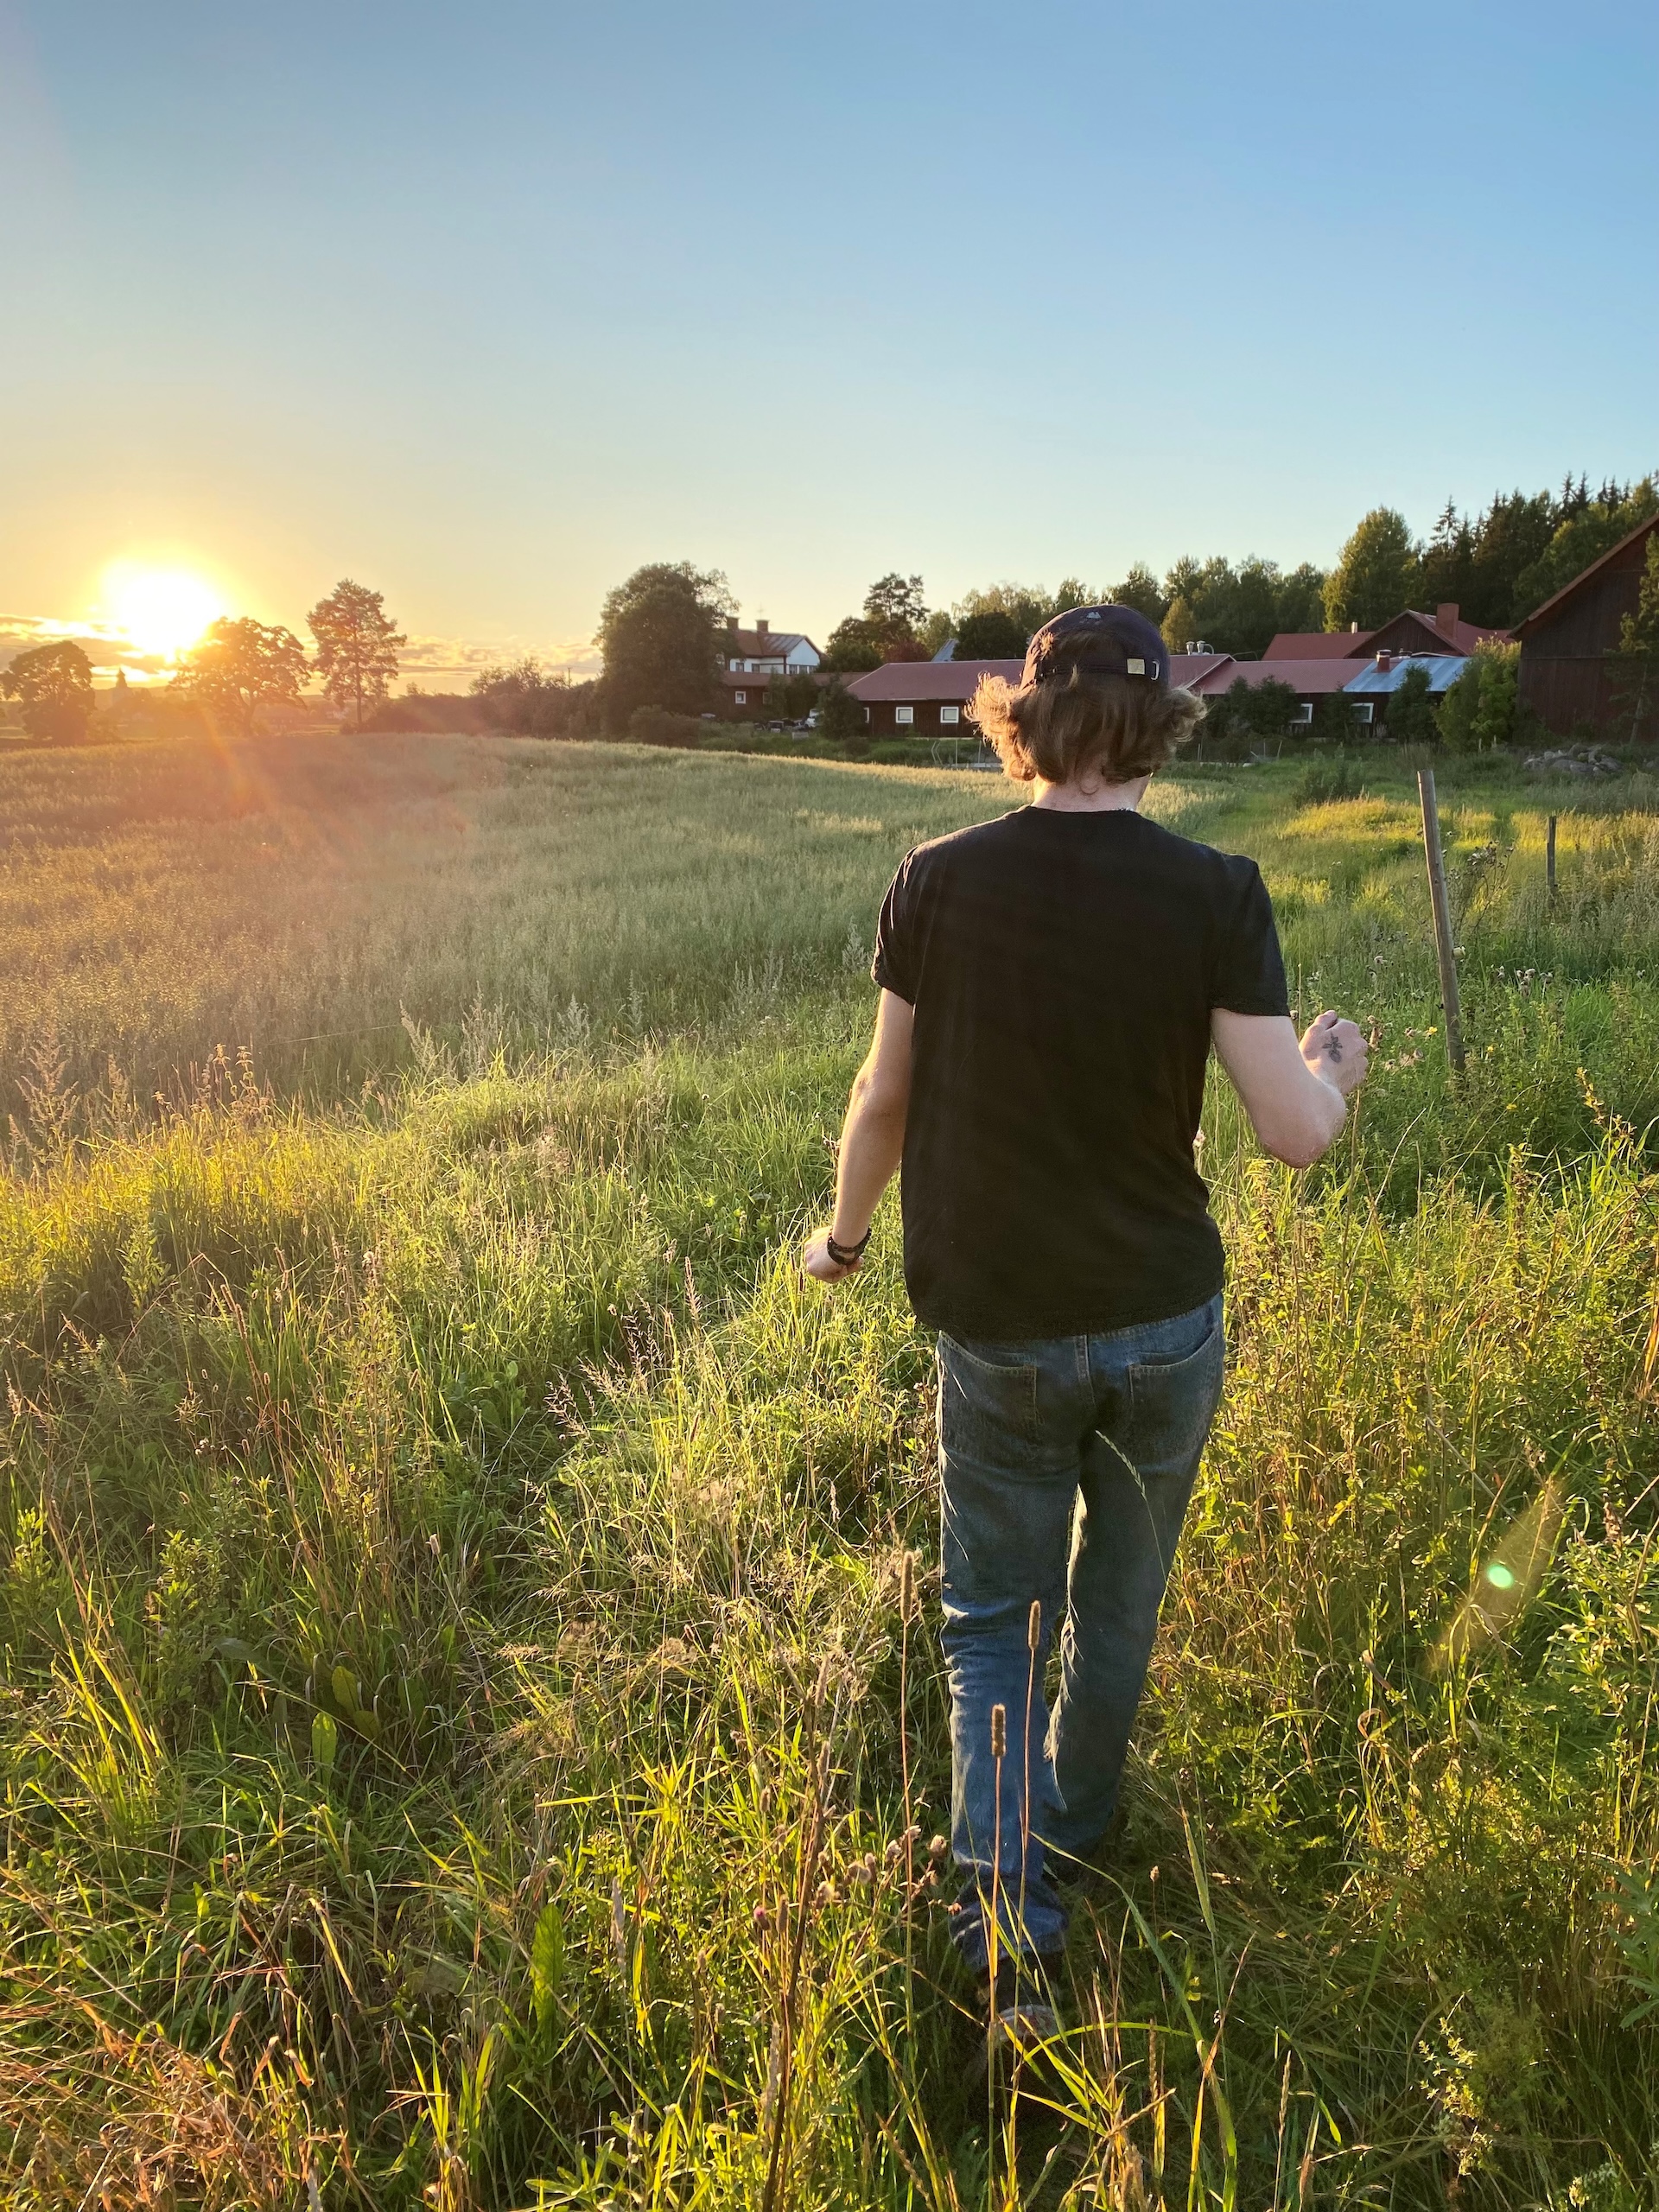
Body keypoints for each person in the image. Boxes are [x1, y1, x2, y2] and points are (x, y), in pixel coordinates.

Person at [801, 604, 1368, 2049]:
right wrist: (1333, 1064)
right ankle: (1078, 1835)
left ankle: (1001, 1929)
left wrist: (845, 1239)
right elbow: (1296, 1137)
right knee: (1120, 1597)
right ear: (1159, 726)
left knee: (995, 1614)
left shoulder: (934, 881)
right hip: (1165, 1321)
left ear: (1025, 720)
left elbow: (882, 1101)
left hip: (995, 1321)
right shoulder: (1217, 891)